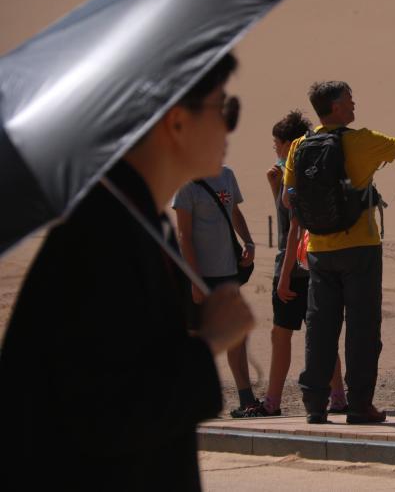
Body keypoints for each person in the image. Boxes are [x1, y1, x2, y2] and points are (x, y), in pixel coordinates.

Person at [0, 53, 254, 490]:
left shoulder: (138, 224)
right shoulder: (104, 238)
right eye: (223, 109)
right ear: (176, 122)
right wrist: (209, 341)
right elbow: (111, 415)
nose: (230, 127)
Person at [282, 80, 395, 424]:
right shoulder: (361, 140)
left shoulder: (300, 145)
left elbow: (289, 198)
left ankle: (315, 405)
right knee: (362, 329)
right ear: (333, 107)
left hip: (319, 249)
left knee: (320, 327)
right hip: (360, 248)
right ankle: (360, 406)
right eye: (348, 101)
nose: (353, 105)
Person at [243, 111, 347, 417]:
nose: (274, 149)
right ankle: (338, 396)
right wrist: (274, 189)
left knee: (282, 334)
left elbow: (293, 231)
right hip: (316, 262)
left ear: (289, 144)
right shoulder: (310, 172)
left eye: (276, 143)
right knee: (323, 334)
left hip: (294, 266)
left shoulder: (297, 174)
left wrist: (284, 274)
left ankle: (273, 401)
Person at [173, 163, 257, 417]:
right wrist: (194, 279)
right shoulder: (186, 182)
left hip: (228, 272)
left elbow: (234, 211)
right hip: (199, 275)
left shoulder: (227, 175)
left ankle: (247, 400)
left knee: (237, 337)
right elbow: (183, 235)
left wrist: (249, 241)